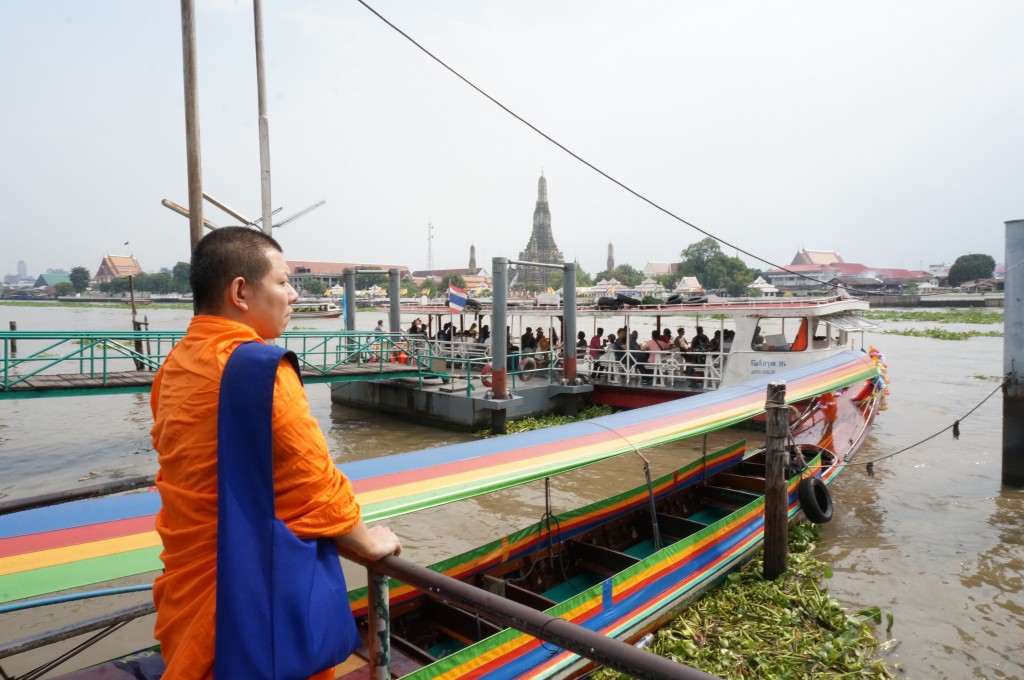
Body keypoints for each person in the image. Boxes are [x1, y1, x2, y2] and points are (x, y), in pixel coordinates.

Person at [150, 227, 401, 680]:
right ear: (241, 292)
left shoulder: (175, 364)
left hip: (193, 594)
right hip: (252, 602)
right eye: (284, 282)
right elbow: (313, 482)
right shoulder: (261, 370)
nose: (293, 295)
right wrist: (367, 541)